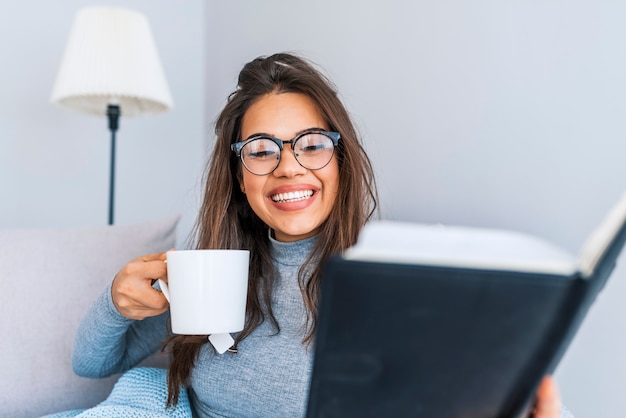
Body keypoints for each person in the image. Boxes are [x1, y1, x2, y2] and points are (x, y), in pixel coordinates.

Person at [71, 52, 568, 418]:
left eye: (311, 145)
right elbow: (92, 364)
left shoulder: (389, 277)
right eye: (262, 150)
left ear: (340, 160)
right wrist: (118, 302)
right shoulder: (211, 272)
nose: (289, 168)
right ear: (240, 176)